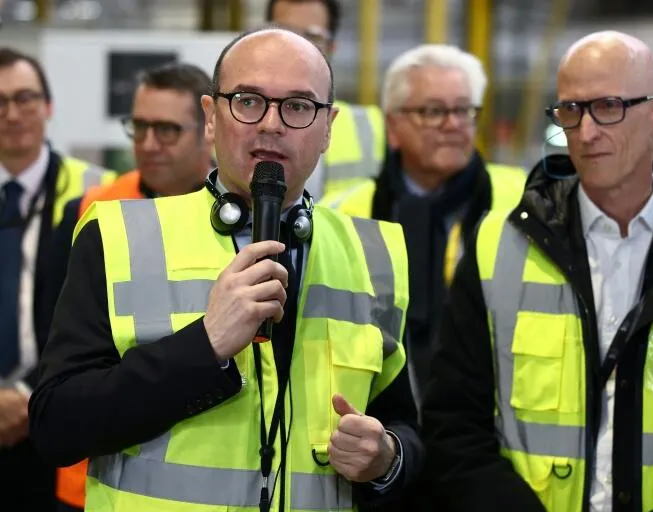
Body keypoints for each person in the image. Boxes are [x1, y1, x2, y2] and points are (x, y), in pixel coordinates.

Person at [29, 28, 423, 511]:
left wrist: (387, 458)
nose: (271, 124)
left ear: (328, 127)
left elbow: (404, 426)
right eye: (248, 101)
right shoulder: (119, 237)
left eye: (298, 106)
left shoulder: (374, 254)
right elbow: (56, 426)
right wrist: (205, 345)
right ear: (211, 117)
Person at [421, 30, 653, 512]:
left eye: (608, 107)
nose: (585, 133)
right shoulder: (496, 248)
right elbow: (453, 426)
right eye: (571, 110)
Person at [49, 61, 215, 512]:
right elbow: (55, 340)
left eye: (167, 130)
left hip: (198, 475)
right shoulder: (92, 211)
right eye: (139, 127)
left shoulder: (241, 222)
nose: (148, 144)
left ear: (209, 129)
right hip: (91, 476)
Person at [322, 43, 527, 405]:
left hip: (495, 414)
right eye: (433, 111)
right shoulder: (341, 215)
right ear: (393, 126)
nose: (452, 124)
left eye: (463, 110)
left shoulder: (525, 203)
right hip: (377, 414)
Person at [0, 47, 115, 511]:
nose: (12, 114)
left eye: (25, 98)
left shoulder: (99, 192)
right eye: (0, 101)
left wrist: (26, 396)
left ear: (48, 106)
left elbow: (103, 315)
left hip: (54, 416)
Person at [266, 0, 385, 199]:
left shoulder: (373, 126)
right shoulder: (234, 116)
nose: (297, 47)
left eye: (312, 37)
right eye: (285, 33)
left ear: (331, 47)